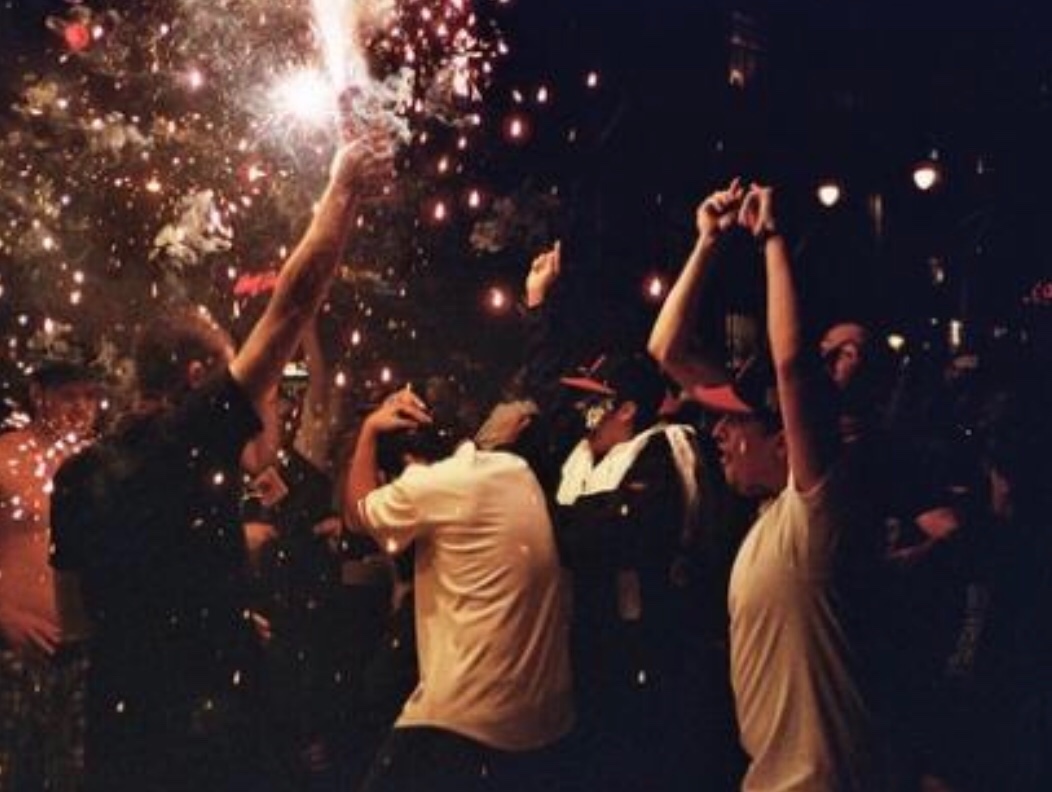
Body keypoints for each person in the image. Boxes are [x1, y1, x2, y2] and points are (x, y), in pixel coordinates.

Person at [49, 135, 393, 792]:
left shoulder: (77, 473)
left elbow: (76, 625)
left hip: (119, 740)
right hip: (205, 743)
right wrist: (343, 186)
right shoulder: (188, 437)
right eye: (235, 371)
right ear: (197, 376)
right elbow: (292, 305)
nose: (253, 393)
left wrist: (204, 601)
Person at [649, 180, 889, 790]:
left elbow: (791, 366)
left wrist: (772, 239)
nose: (718, 433)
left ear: (786, 441)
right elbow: (666, 349)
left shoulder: (816, 506)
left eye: (737, 425)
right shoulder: (771, 515)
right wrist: (705, 243)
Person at [343, 384, 574, 792]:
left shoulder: (431, 484)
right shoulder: (515, 470)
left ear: (408, 461)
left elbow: (356, 515)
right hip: (545, 724)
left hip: (470, 720)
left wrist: (369, 431)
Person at [0, 355, 101, 792]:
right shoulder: (4, 456)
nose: (81, 408)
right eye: (68, 396)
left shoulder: (102, 463)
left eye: (89, 396)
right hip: (14, 653)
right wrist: (5, 617)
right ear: (38, 394)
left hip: (85, 655)